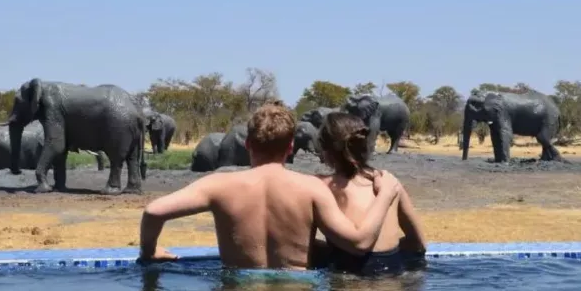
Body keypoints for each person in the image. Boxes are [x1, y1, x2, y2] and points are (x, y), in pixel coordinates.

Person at [137, 103, 402, 269]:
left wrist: (150, 252)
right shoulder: (311, 188)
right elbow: (359, 242)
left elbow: (153, 212)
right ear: (290, 147)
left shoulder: (218, 185)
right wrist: (386, 194)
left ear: (248, 144)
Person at [312, 112, 427, 274]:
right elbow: (418, 243)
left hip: (350, 288)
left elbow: (298, 243)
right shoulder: (390, 182)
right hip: (393, 282)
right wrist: (387, 253)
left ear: (325, 149)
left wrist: (336, 250)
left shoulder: (321, 186)